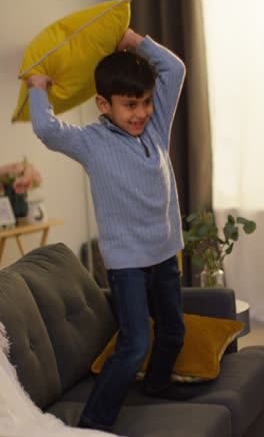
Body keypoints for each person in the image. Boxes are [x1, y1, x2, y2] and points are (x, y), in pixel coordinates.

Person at [26, 27, 186, 433]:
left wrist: (136, 42)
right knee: (135, 343)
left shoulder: (155, 128)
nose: (141, 113)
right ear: (103, 103)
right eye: (130, 104)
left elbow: (175, 69)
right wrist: (38, 87)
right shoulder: (91, 143)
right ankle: (94, 422)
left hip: (165, 249)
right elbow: (46, 130)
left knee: (174, 331)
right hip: (127, 261)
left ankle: (157, 385)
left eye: (147, 102)